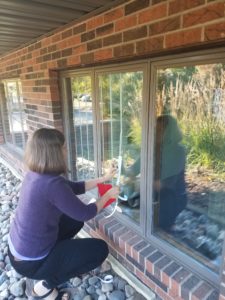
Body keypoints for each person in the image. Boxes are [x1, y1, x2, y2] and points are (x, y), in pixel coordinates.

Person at [8, 128, 119, 300]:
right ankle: (44, 286)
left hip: (20, 250)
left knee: (74, 222)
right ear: (55, 153)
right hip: (32, 262)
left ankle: (58, 261)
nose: (67, 151)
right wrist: (108, 196)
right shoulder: (51, 185)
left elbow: (74, 187)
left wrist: (103, 179)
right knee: (100, 249)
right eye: (64, 147)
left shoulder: (37, 174)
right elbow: (86, 213)